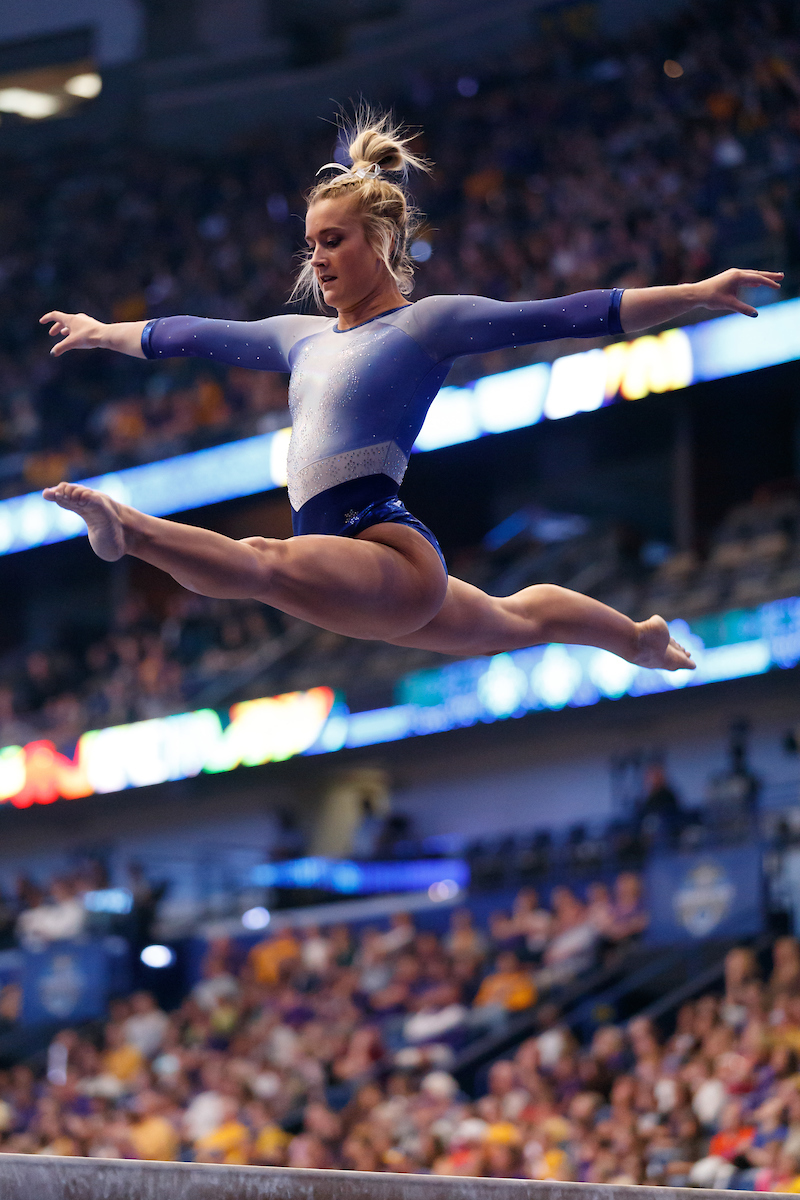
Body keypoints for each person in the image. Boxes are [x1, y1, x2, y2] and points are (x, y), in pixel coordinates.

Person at [39, 112, 781, 667]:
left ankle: (125, 529)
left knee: (261, 562)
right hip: (351, 572)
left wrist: (698, 290)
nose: (320, 259)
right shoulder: (300, 341)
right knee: (518, 619)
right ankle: (636, 636)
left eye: (336, 240)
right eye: (313, 245)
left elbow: (573, 314)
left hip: (383, 548)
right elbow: (190, 334)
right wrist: (103, 331)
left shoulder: (427, 326)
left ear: (383, 243)